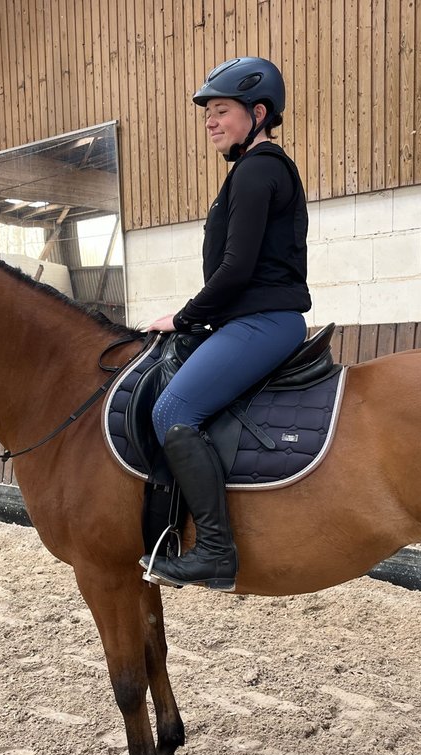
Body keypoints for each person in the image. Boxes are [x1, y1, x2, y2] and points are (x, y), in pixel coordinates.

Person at [141, 56, 311, 591]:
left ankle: (214, 550)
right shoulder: (248, 170)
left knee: (173, 408)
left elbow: (237, 270)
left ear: (257, 113)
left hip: (263, 322)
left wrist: (185, 316)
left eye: (221, 111)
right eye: (207, 113)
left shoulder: (259, 169)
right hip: (247, 320)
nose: (211, 122)